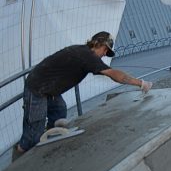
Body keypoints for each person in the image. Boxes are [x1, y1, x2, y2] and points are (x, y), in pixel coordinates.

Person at [15, 31, 153, 154]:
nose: (105, 54)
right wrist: (140, 83)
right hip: (37, 89)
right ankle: (22, 154)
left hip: (49, 89)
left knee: (59, 110)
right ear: (97, 43)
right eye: (105, 49)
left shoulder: (82, 52)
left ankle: (51, 135)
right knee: (33, 134)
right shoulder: (87, 56)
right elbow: (114, 74)